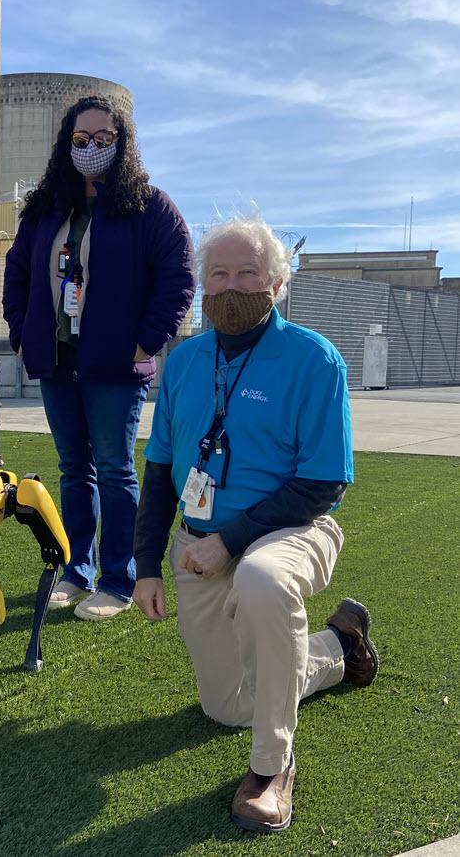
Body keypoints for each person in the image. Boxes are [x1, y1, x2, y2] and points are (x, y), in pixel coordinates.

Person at [133, 215, 379, 833]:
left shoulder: (314, 359)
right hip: (198, 545)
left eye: (249, 273)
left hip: (292, 532)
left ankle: (274, 767)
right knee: (227, 707)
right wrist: (143, 567)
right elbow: (160, 468)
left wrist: (230, 542)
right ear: (202, 286)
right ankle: (338, 648)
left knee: (263, 581)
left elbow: (324, 482)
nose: (232, 285)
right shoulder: (185, 361)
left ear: (276, 283)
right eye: (219, 274)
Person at [3, 95, 195, 621]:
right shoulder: (45, 209)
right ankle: (76, 570)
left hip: (114, 367)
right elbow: (17, 272)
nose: (90, 149)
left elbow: (179, 278)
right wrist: (21, 333)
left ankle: (117, 578)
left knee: (113, 470)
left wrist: (144, 341)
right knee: (74, 470)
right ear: (67, 144)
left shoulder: (150, 206)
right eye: (81, 140)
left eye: (103, 141)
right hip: (57, 362)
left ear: (122, 143)